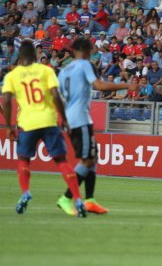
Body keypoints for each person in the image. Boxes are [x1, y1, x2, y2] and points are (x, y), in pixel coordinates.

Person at [2, 40, 87, 217]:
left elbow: (7, 100)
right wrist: (64, 119)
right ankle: (78, 199)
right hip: (49, 121)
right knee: (62, 161)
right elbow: (56, 95)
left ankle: (25, 192)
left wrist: (9, 126)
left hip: (27, 123)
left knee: (24, 159)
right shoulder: (45, 70)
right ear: (34, 55)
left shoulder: (12, 75)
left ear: (19, 56)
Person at [57, 38, 138, 215]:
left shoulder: (63, 71)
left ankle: (90, 200)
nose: (93, 51)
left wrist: (63, 118)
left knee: (92, 157)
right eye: (92, 49)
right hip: (80, 118)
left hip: (71, 118)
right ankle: (66, 198)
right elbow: (99, 86)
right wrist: (126, 85)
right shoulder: (84, 64)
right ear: (85, 50)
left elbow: (59, 96)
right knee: (87, 159)